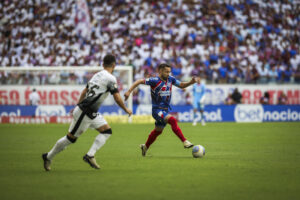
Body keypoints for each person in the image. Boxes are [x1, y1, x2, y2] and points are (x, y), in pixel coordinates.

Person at [42, 55, 132, 171]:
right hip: (85, 112)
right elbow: (117, 98)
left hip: (89, 111)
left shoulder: (96, 75)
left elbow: (85, 91)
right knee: (70, 139)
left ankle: (90, 155)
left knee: (106, 131)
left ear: (103, 64)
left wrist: (77, 105)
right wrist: (126, 109)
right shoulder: (110, 78)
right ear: (114, 65)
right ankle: (48, 156)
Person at [124, 63, 195, 157]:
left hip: (165, 110)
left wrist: (191, 82)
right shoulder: (154, 80)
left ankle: (145, 147)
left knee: (158, 131)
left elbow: (181, 85)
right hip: (157, 110)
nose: (168, 73)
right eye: (166, 71)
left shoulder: (171, 79)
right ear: (160, 71)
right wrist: (129, 91)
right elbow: (139, 81)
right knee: (173, 120)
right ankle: (185, 141)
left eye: (169, 71)